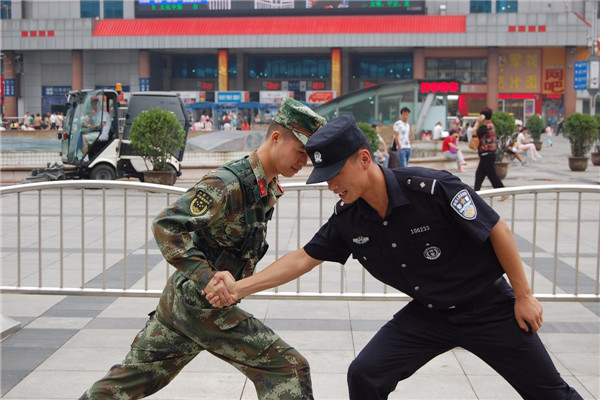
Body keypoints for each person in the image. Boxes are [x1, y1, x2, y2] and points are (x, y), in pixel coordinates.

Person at [205, 114, 583, 400]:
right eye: (325, 177)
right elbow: (304, 258)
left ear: (365, 159)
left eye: (337, 173)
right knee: (365, 373)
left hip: (488, 306)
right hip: (429, 313)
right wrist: (239, 288)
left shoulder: (432, 189)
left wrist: (523, 295)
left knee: (550, 392)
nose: (332, 184)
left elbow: (496, 228)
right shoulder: (349, 217)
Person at [79, 98, 326, 400]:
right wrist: (207, 276)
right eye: (300, 151)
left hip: (183, 303)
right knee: (288, 368)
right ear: (276, 137)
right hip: (202, 306)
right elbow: (166, 225)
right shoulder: (228, 183)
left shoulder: (264, 185)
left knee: (126, 383)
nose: (304, 161)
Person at [472, 107, 505, 192]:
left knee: (491, 174)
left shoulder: (485, 127)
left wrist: (477, 122)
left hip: (487, 153)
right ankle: (476, 192)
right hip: (488, 153)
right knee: (479, 174)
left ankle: (503, 191)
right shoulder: (491, 125)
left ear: (483, 116)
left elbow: (474, 133)